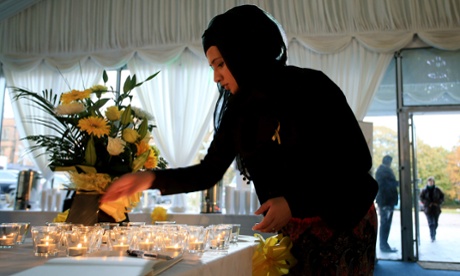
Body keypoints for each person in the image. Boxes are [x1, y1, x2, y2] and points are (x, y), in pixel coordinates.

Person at [102, 4, 379, 275]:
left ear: (245, 53)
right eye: (212, 66)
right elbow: (208, 172)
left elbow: (355, 163)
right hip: (293, 229)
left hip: (344, 219)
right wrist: (148, 179)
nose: (216, 77)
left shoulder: (312, 87)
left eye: (220, 64)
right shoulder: (239, 110)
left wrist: (293, 202)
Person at [375, 155, 399, 253]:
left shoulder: (381, 171)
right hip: (386, 201)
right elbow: (389, 185)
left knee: (385, 224)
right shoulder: (384, 171)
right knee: (385, 224)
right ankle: (384, 245)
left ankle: (384, 245)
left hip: (385, 201)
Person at [419, 176, 444, 242]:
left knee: (435, 223)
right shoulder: (424, 190)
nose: (430, 183)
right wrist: (427, 203)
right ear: (427, 182)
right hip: (428, 209)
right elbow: (421, 198)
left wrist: (438, 203)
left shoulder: (437, 190)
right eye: (429, 181)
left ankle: (434, 233)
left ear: (433, 182)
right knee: (431, 223)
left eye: (432, 181)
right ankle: (432, 236)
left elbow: (442, 197)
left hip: (436, 209)